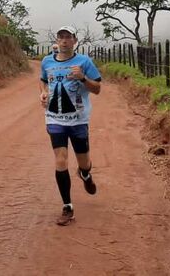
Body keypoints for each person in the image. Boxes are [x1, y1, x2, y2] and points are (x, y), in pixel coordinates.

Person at [39, 25, 102, 226]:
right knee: (61, 160)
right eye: (60, 37)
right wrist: (42, 93)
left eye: (68, 37)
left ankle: (85, 174)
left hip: (78, 120)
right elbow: (42, 81)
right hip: (54, 118)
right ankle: (67, 207)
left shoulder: (84, 62)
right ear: (57, 41)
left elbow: (98, 88)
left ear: (75, 41)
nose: (64, 41)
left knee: (84, 162)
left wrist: (82, 78)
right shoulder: (47, 61)